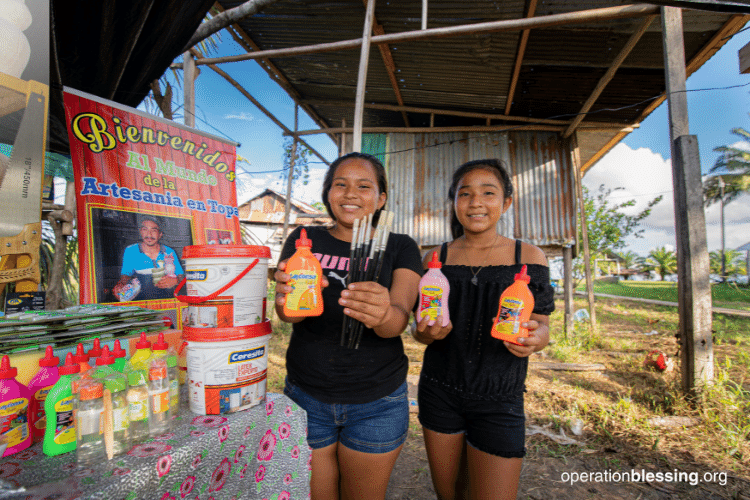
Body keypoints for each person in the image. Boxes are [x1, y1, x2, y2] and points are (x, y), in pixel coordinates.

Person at [274, 152, 423, 500]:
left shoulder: (400, 246)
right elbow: (290, 316)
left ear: (381, 197)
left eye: (364, 186)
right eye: (340, 184)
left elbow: (397, 321)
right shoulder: (304, 239)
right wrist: (285, 301)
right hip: (306, 393)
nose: (351, 194)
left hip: (378, 398)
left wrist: (383, 313)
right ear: (328, 193)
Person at [413, 159, 554, 500]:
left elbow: (544, 325)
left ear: (506, 202)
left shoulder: (529, 256)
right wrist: (425, 333)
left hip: (500, 397)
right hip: (439, 390)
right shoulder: (435, 259)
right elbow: (418, 330)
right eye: (465, 194)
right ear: (454, 202)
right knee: (450, 495)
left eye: (488, 193)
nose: (475, 202)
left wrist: (534, 341)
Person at [112, 216, 184, 301]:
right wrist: (121, 285)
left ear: (160, 234)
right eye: (145, 229)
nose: (149, 235)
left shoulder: (169, 252)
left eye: (153, 230)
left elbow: (181, 276)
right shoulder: (131, 251)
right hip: (141, 301)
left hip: (166, 300)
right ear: (140, 232)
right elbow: (126, 275)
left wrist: (176, 280)